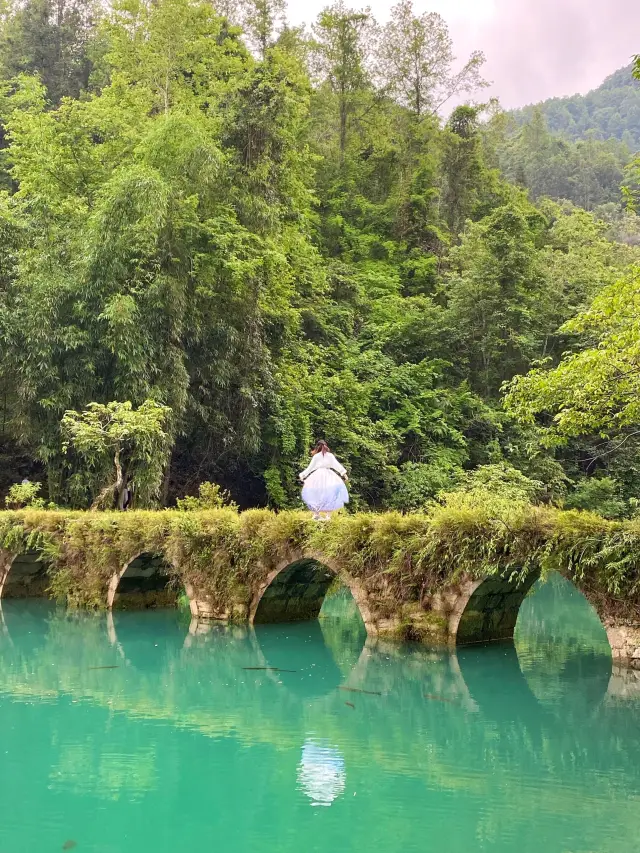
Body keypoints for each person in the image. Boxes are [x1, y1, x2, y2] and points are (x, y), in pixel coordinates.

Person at [299, 440, 349, 521]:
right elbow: (337, 465)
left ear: (317, 447)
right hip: (329, 476)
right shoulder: (330, 456)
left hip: (317, 476)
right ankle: (327, 516)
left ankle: (316, 514)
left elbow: (310, 468)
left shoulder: (316, 456)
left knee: (316, 494)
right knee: (330, 495)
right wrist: (344, 474)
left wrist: (302, 475)